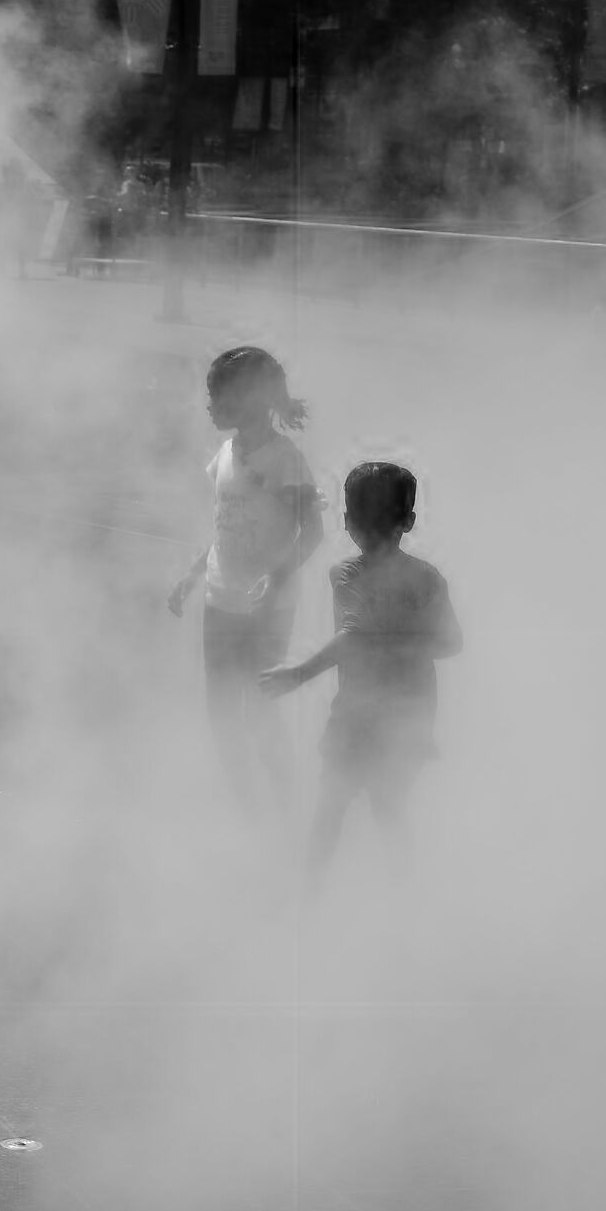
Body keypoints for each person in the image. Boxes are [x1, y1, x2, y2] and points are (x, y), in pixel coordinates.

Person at [262, 461, 462, 885]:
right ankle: (404, 899)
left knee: (332, 806)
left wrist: (299, 674)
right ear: (409, 520)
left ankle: (310, 893)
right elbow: (450, 642)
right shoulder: (428, 578)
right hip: (412, 710)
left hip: (360, 712)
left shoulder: (348, 573)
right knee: (388, 808)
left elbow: (355, 636)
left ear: (347, 521)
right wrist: (403, 643)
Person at [167, 347, 326, 810]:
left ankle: (285, 806)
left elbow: (313, 532)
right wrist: (192, 576)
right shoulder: (225, 453)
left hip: (266, 610)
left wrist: (276, 578)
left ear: (250, 397)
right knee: (220, 714)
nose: (209, 405)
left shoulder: (284, 460)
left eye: (217, 395)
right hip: (219, 602)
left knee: (258, 713)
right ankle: (248, 812)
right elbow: (226, 527)